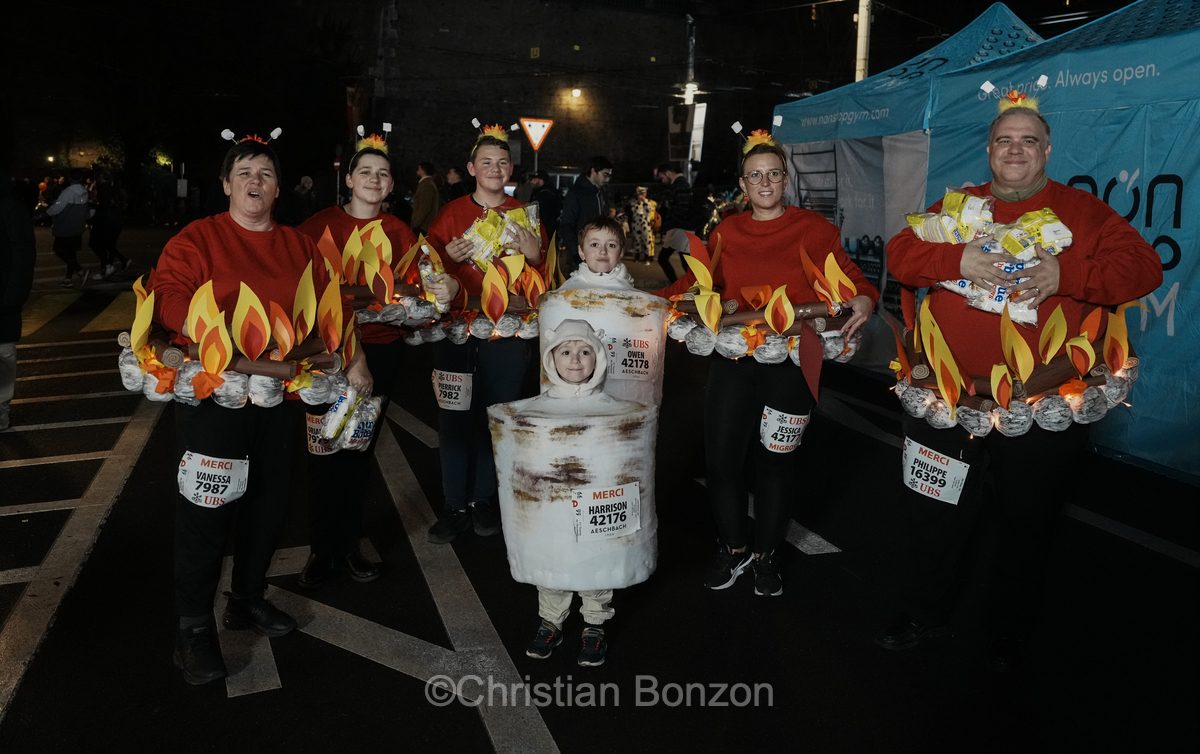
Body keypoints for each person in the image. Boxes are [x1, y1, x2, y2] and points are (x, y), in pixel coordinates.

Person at [880, 97, 1162, 671]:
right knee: (936, 514)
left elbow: (1145, 268)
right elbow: (901, 255)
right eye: (1005, 140)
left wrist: (1069, 272)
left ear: (1047, 151)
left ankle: (1007, 633)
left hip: (1039, 406)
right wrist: (958, 259)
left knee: (1025, 524)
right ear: (989, 150)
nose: (1015, 149)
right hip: (949, 400)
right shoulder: (958, 207)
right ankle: (924, 612)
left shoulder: (1082, 214)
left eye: (1028, 141)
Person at [151, 137, 363, 685]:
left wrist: (338, 351)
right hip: (216, 395)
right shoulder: (198, 237)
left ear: (277, 187)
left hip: (280, 394)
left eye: (265, 174)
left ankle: (246, 598)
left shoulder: (298, 245)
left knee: (270, 501)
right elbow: (169, 294)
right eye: (244, 172)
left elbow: (327, 305)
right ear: (226, 184)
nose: (255, 182)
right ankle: (193, 628)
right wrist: (217, 336)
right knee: (208, 510)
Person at [657, 131, 878, 597]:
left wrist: (864, 297)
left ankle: (767, 555)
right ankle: (734, 548)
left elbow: (852, 278)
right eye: (755, 175)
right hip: (734, 360)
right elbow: (697, 286)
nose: (764, 182)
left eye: (773, 174)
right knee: (720, 461)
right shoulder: (727, 232)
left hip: (791, 364)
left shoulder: (815, 230)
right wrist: (640, 300)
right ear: (743, 182)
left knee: (775, 465)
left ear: (784, 179)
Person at [296, 135, 417, 588]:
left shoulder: (400, 232)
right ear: (348, 179)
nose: (374, 179)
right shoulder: (315, 228)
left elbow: (416, 290)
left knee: (358, 449)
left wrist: (437, 290)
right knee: (324, 449)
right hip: (325, 357)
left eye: (382, 174)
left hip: (382, 351)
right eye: (365, 171)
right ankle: (319, 550)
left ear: (390, 186)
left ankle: (347, 546)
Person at [423, 126, 546, 544]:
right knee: (454, 418)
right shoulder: (451, 215)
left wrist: (534, 255)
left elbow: (542, 285)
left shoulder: (524, 215)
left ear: (511, 169)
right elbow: (425, 275)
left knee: (497, 417)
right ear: (472, 168)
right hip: (455, 334)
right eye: (486, 162)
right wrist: (442, 257)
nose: (495, 168)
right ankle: (454, 505)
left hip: (507, 336)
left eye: (503, 162)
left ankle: (485, 500)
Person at [522, 320, 617, 666]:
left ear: (599, 358)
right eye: (565, 351)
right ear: (551, 359)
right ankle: (551, 619)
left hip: (596, 507)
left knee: (598, 562)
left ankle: (595, 623)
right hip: (553, 508)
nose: (575, 360)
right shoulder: (535, 410)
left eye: (585, 351)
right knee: (553, 560)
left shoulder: (613, 410)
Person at [0, 163, 36, 432]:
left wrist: (15, 294)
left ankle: (1, 411)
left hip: (4, 296)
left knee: (3, 355)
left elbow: (24, 251)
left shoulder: (10, 204)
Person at [558, 156, 612, 279]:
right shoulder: (576, 192)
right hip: (581, 258)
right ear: (593, 171)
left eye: (609, 175)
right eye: (605, 175)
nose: (607, 179)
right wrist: (577, 255)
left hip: (601, 254)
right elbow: (566, 226)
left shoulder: (601, 192)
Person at [45, 169, 90, 287]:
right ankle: (68, 278)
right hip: (77, 227)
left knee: (60, 251)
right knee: (71, 252)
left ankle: (80, 270)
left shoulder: (68, 192)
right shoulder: (84, 191)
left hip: (66, 227)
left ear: (69, 179)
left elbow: (57, 208)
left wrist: (43, 214)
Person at [655, 163, 696, 284]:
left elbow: (683, 205)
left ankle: (677, 285)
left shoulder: (680, 184)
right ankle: (694, 285)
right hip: (682, 227)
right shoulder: (681, 184)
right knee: (684, 259)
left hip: (679, 227)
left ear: (668, 172)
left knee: (663, 258)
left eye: (662, 177)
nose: (662, 181)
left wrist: (672, 221)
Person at [88, 170, 129, 278]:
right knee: (109, 244)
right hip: (116, 220)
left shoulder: (103, 189)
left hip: (107, 220)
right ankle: (109, 266)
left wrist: (94, 210)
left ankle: (106, 267)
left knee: (96, 243)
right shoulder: (116, 189)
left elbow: (105, 206)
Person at [411, 161, 443, 234]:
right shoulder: (428, 183)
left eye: (419, 169)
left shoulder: (426, 185)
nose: (417, 171)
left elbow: (424, 208)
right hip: (423, 226)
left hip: (422, 227)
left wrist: (415, 224)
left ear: (423, 171)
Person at [626, 187, 656, 264]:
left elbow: (649, 210)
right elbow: (636, 211)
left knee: (647, 240)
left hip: (646, 224)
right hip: (636, 224)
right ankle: (637, 257)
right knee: (637, 240)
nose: (643, 195)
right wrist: (639, 203)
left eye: (644, 194)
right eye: (642, 194)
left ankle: (647, 257)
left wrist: (644, 202)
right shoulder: (634, 202)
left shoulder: (648, 202)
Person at [533, 170, 562, 244]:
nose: (532, 181)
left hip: (546, 233)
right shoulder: (548, 192)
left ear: (541, 181)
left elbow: (543, 215)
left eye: (535, 179)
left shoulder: (544, 194)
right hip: (549, 232)